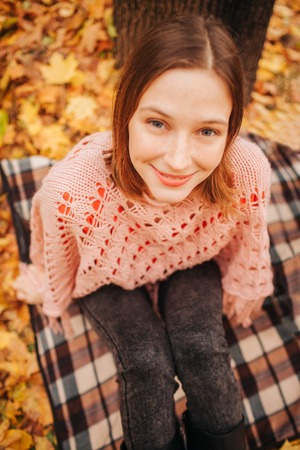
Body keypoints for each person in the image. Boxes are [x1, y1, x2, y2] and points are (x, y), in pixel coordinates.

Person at [14, 15, 274, 450]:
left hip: (193, 259)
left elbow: (247, 243)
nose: (177, 160)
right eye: (157, 123)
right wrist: (50, 290)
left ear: (230, 129)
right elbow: (56, 251)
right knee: (145, 363)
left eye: (207, 131)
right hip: (108, 274)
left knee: (203, 350)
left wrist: (243, 285)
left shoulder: (245, 171)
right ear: (126, 111)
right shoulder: (73, 190)